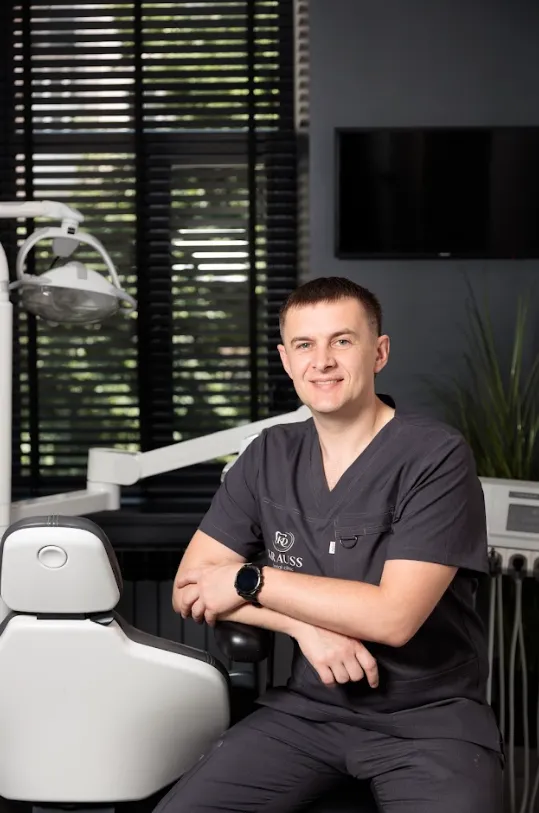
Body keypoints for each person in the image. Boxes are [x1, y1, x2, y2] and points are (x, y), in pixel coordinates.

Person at [156, 277, 504, 812]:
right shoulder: (269, 454)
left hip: (429, 724)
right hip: (308, 713)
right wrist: (304, 629)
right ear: (286, 359)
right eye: (304, 345)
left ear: (379, 351)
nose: (322, 361)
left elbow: (393, 618)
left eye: (342, 341)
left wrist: (250, 580)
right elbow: (189, 587)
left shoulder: (435, 457)